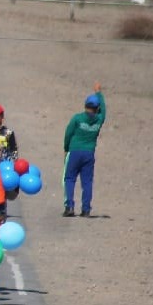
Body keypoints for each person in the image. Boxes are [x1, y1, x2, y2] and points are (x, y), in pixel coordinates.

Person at [63, 84, 106, 218]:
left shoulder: (77, 118)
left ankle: (69, 206)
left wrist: (66, 148)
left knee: (69, 179)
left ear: (85, 105)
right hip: (89, 153)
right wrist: (99, 93)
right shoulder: (99, 119)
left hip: (75, 151)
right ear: (97, 108)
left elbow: (68, 133)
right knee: (87, 182)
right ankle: (86, 209)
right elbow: (104, 110)